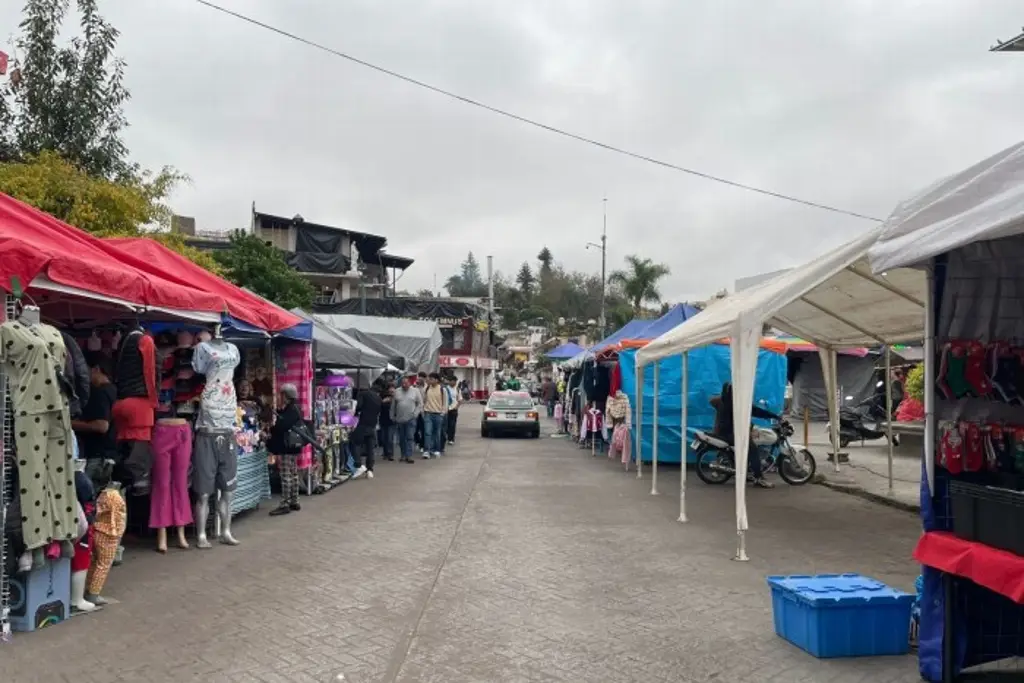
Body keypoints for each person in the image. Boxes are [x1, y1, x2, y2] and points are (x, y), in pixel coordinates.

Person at [709, 382, 776, 489]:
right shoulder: (735, 404)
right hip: (730, 433)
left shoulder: (720, 401)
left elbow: (711, 400)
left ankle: (745, 472)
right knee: (752, 449)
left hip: (721, 431)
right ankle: (759, 478)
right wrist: (773, 416)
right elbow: (755, 411)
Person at [72, 357, 118, 486]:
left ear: (96, 369)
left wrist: (69, 424)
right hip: (110, 454)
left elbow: (101, 425)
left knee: (90, 498)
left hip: (98, 457)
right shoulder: (114, 391)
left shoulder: (99, 392)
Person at [268, 384, 305, 516]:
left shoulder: (291, 409)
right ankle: (295, 500)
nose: (280, 396)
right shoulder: (296, 408)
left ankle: (285, 503)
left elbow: (281, 427)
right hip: (293, 447)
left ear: (286, 395)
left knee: (286, 475)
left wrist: (272, 429)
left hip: (287, 447)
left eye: (281, 394)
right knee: (293, 474)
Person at [350, 381, 383, 480]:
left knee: (355, 443)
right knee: (370, 448)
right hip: (372, 425)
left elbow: (359, 407)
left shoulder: (363, 394)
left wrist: (354, 414)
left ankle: (359, 465)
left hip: (362, 423)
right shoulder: (379, 399)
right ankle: (370, 470)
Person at [391, 374, 423, 463]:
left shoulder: (415, 391)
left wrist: (415, 414)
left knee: (410, 437)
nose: (404, 385)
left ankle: (409, 456)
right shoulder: (397, 391)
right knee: (401, 438)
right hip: (400, 419)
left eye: (406, 383)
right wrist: (392, 416)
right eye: (402, 383)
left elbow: (420, 404)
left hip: (411, 419)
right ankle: (403, 455)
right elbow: (393, 405)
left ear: (410, 383)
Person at [422, 373, 447, 458]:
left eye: (431, 379)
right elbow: (424, 400)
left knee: (436, 433)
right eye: (429, 379)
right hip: (428, 413)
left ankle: (436, 449)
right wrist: (423, 411)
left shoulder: (442, 389)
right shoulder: (427, 388)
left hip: (438, 414)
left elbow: (445, 403)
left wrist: (442, 413)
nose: (429, 380)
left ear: (436, 380)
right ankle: (427, 451)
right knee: (427, 432)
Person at [379, 381, 396, 461]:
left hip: (391, 420)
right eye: (390, 389)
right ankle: (385, 453)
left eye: (393, 389)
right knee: (383, 438)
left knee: (389, 438)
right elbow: (379, 406)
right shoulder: (382, 396)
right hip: (383, 419)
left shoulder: (395, 398)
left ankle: (390, 454)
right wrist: (383, 401)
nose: (391, 391)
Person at [446, 376, 461, 445]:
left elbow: (460, 400)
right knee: (446, 424)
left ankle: (451, 439)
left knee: (452, 425)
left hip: (453, 410)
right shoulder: (445, 389)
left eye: (455, 381)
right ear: (449, 381)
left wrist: (456, 407)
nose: (454, 383)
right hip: (445, 409)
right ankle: (446, 436)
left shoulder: (457, 389)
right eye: (453, 381)